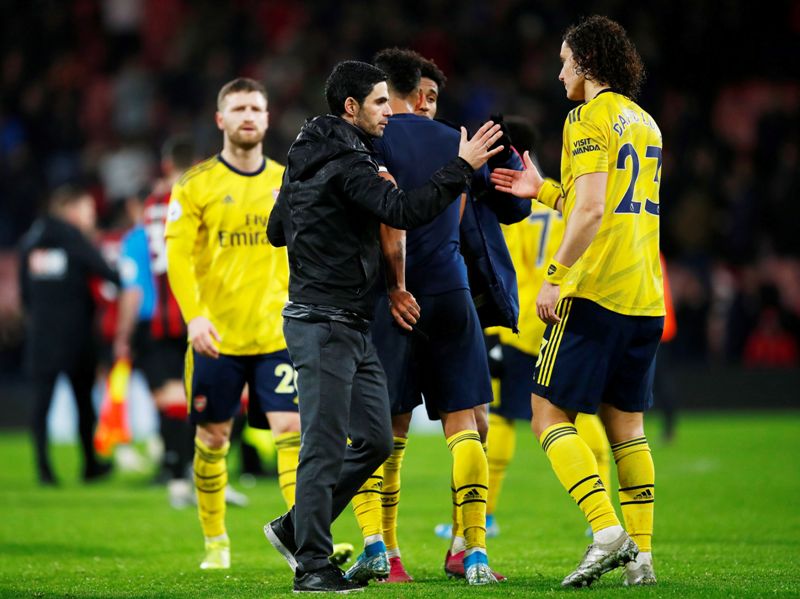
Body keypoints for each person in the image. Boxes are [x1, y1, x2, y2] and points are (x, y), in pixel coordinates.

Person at [264, 60, 503, 594]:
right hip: (321, 320)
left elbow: (278, 230)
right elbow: (406, 210)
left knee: (372, 440)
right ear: (351, 108)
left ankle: (294, 526)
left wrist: (324, 219)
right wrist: (460, 165)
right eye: (378, 104)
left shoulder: (306, 156)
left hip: (353, 321)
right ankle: (313, 566)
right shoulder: (351, 163)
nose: (389, 114)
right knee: (324, 444)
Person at [491, 15, 663, 587]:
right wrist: (539, 189)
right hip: (644, 296)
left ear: (587, 64)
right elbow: (604, 203)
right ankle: (641, 559)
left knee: (546, 413)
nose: (560, 70)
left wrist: (555, 276)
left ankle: (605, 530)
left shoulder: (586, 117)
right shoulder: (646, 122)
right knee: (628, 429)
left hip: (596, 292)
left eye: (566, 60)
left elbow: (590, 211)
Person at [345, 49, 526, 586]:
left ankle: (389, 554)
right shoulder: (458, 140)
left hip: (389, 299)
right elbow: (515, 205)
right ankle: (472, 553)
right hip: (452, 292)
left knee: (386, 433)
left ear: (384, 92)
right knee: (467, 426)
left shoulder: (364, 143)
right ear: (419, 93)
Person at [164, 78, 302, 570]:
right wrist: (195, 317)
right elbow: (177, 259)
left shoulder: (289, 181)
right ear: (221, 120)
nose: (248, 115)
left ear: (267, 120)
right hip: (214, 338)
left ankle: (302, 544)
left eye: (256, 108)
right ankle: (216, 541)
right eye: (238, 107)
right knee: (213, 439)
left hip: (276, 334)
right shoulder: (195, 185)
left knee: (292, 430)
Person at [114, 136, 198, 508]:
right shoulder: (200, 199)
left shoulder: (145, 219)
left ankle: (178, 472)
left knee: (170, 400)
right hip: (195, 313)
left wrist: (122, 333)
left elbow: (133, 288)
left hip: (158, 323)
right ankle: (195, 473)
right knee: (196, 397)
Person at [19, 185, 118, 485]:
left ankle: (43, 468)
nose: (93, 216)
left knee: (41, 404)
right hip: (76, 335)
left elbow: (25, 294)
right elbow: (108, 273)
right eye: (88, 210)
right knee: (83, 401)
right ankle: (89, 463)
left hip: (41, 335)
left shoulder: (30, 241)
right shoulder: (74, 239)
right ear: (71, 209)